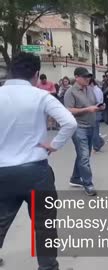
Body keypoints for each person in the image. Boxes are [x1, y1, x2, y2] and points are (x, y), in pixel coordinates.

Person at [0, 52, 77, 270]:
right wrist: (54, 145)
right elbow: (69, 123)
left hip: (3, 172)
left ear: (11, 71)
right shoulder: (40, 96)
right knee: (45, 224)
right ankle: (48, 267)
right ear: (36, 74)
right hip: (36, 172)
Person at [64, 67, 104, 196]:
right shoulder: (70, 92)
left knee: (83, 156)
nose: (88, 79)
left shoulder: (90, 89)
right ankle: (88, 184)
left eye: (88, 77)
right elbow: (68, 110)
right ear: (76, 77)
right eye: (85, 76)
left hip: (91, 126)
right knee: (84, 157)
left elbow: (93, 105)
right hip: (78, 128)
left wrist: (98, 107)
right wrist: (87, 109)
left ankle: (75, 178)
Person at [89, 78, 105, 152]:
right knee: (93, 130)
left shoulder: (97, 90)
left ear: (92, 83)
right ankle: (99, 142)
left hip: (96, 111)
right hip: (92, 111)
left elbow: (98, 102)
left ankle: (97, 146)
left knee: (94, 130)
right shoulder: (91, 90)